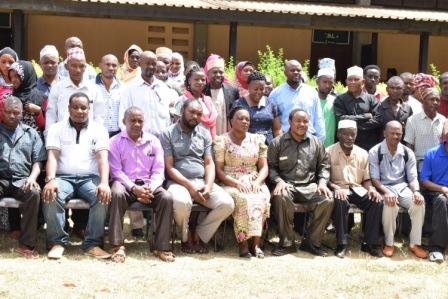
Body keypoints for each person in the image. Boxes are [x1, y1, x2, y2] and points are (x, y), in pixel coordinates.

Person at [42, 92, 111, 259]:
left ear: (89, 109)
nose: (80, 111)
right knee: (51, 194)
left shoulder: (99, 129)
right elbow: (52, 156)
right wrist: (51, 179)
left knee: (102, 195)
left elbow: (103, 159)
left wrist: (104, 182)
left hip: (90, 178)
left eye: (83, 108)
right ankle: (57, 242)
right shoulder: (57, 128)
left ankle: (92, 244)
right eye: (75, 107)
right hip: (64, 177)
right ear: (68, 108)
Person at [161, 99, 234, 254]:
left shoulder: (204, 133)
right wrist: (190, 186)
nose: (195, 116)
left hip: (201, 181)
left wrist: (208, 185)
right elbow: (169, 167)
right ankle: (185, 237)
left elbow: (209, 163)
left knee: (227, 204)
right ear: (182, 112)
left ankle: (200, 235)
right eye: (192, 112)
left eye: (199, 114)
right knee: (181, 203)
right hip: (177, 182)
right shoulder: (168, 133)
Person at [108, 106, 175, 262]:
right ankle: (117, 246)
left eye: (140, 121)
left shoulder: (153, 141)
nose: (137, 124)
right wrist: (133, 188)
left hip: (148, 186)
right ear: (124, 121)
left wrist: (149, 189)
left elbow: (159, 171)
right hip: (125, 185)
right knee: (116, 193)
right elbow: (116, 171)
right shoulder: (115, 142)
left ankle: (161, 247)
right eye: (132, 120)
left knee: (166, 197)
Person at [268, 108, 334, 256]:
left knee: (328, 199)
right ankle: (287, 243)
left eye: (305, 121)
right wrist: (278, 181)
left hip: (309, 187)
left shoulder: (316, 143)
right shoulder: (277, 143)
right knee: (281, 197)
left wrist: (322, 183)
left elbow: (324, 166)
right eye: (298, 121)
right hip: (287, 185)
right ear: (290, 122)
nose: (302, 124)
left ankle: (311, 242)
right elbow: (271, 168)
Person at [214, 107, 270, 258]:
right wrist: (236, 184)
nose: (245, 121)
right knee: (243, 199)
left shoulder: (258, 140)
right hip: (230, 181)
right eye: (240, 118)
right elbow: (219, 170)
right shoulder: (221, 140)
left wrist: (258, 183)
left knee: (262, 197)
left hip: (254, 180)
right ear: (231, 121)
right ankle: (243, 243)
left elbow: (264, 167)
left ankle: (256, 243)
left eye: (247, 119)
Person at [369, 121, 427, 258]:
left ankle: (415, 243)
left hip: (403, 188)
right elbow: (375, 179)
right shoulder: (375, 151)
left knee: (419, 203)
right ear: (384, 133)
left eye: (399, 133)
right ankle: (389, 243)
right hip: (384, 188)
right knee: (390, 205)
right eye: (392, 133)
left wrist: (416, 192)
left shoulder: (408, 152)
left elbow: (412, 178)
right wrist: (387, 192)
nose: (396, 136)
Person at [328, 120, 383, 258]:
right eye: (345, 134)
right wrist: (335, 188)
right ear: (339, 134)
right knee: (340, 201)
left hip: (357, 189)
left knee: (376, 201)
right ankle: (342, 244)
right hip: (338, 188)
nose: (349, 138)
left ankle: (369, 243)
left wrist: (371, 190)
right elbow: (324, 178)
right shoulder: (328, 151)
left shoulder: (363, 153)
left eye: (352, 134)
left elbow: (366, 179)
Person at [0, 96, 46, 258]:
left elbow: (38, 161)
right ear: (2, 112)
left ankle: (26, 244)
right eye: (8, 112)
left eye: (16, 112)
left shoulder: (31, 133)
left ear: (21, 114)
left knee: (34, 193)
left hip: (22, 180)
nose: (12, 116)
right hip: (1, 179)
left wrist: (33, 178)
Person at [45, 47, 104, 135]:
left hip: (88, 140)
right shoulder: (57, 88)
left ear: (86, 67)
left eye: (81, 66)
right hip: (62, 139)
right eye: (74, 66)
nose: (78, 70)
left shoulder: (94, 89)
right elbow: (51, 116)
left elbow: (99, 118)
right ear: (66, 66)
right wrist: (49, 140)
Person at [119, 51, 174, 136]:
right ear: (139, 64)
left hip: (162, 139)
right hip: (138, 139)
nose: (151, 66)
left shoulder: (164, 88)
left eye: (154, 63)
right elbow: (122, 117)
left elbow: (169, 115)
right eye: (147, 63)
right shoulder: (129, 89)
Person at [269, 60, 325, 142]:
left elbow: (318, 118)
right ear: (285, 73)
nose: (296, 72)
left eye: (298, 70)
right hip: (286, 140)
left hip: (309, 139)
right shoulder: (275, 94)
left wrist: (319, 140)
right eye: (292, 70)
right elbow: (273, 121)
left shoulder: (312, 92)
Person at [420, 120, 448, 263]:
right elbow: (424, 180)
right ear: (444, 137)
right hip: (435, 192)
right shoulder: (431, 153)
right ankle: (436, 248)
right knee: (442, 200)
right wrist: (443, 189)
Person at [334, 65, 379, 151]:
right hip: (345, 145)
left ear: (362, 82)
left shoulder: (371, 99)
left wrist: (353, 124)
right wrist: (365, 117)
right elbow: (340, 119)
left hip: (368, 144)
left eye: (356, 79)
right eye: (350, 80)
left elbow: (377, 120)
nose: (353, 82)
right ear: (346, 82)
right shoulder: (340, 100)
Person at [232, 71, 281, 143]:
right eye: (255, 89)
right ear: (248, 87)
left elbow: (277, 129)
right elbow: (232, 130)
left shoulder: (271, 103)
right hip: (246, 146)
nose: (259, 92)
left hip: (269, 147)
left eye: (262, 89)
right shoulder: (239, 104)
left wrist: (279, 146)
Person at [404, 87, 446, 171]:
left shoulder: (443, 120)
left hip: (441, 165)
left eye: (437, 100)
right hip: (421, 164)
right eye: (432, 99)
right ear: (423, 101)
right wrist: (412, 168)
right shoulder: (412, 120)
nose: (435, 102)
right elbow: (409, 147)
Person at [176, 66, 218, 139]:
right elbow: (177, 124)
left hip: (208, 141)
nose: (200, 82)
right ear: (189, 81)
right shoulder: (183, 100)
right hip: (187, 142)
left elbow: (213, 123)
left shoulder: (208, 101)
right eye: (196, 79)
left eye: (203, 80)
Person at [203, 54, 239, 136]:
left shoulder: (233, 91)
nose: (218, 75)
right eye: (215, 72)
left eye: (221, 72)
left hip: (227, 135)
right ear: (208, 74)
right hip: (208, 135)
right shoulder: (202, 91)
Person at [9, 60, 46, 134]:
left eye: (16, 76)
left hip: (35, 142)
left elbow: (45, 127)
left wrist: (38, 112)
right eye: (11, 77)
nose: (13, 80)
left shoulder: (40, 98)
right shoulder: (9, 98)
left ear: (26, 76)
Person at [95, 54, 121, 137]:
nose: (111, 68)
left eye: (114, 65)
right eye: (107, 64)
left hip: (118, 135)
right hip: (97, 135)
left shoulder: (123, 88)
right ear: (100, 66)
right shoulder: (91, 86)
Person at [317, 68, 336, 147]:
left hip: (330, 147)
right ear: (317, 82)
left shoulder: (335, 101)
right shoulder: (310, 100)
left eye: (330, 83)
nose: (327, 85)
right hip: (312, 146)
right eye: (324, 82)